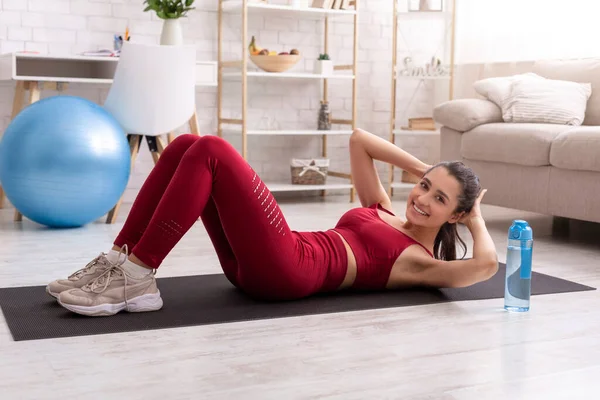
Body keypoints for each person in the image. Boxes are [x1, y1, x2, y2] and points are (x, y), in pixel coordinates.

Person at [47, 128, 498, 317]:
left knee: (213, 151)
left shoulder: (418, 261)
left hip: (289, 268)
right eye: (423, 187)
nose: (421, 200)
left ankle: (138, 276)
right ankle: (117, 261)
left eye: (439, 200)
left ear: (455, 215)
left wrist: (475, 212)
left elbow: (486, 267)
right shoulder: (382, 207)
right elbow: (360, 141)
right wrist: (439, 171)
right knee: (186, 142)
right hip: (255, 266)